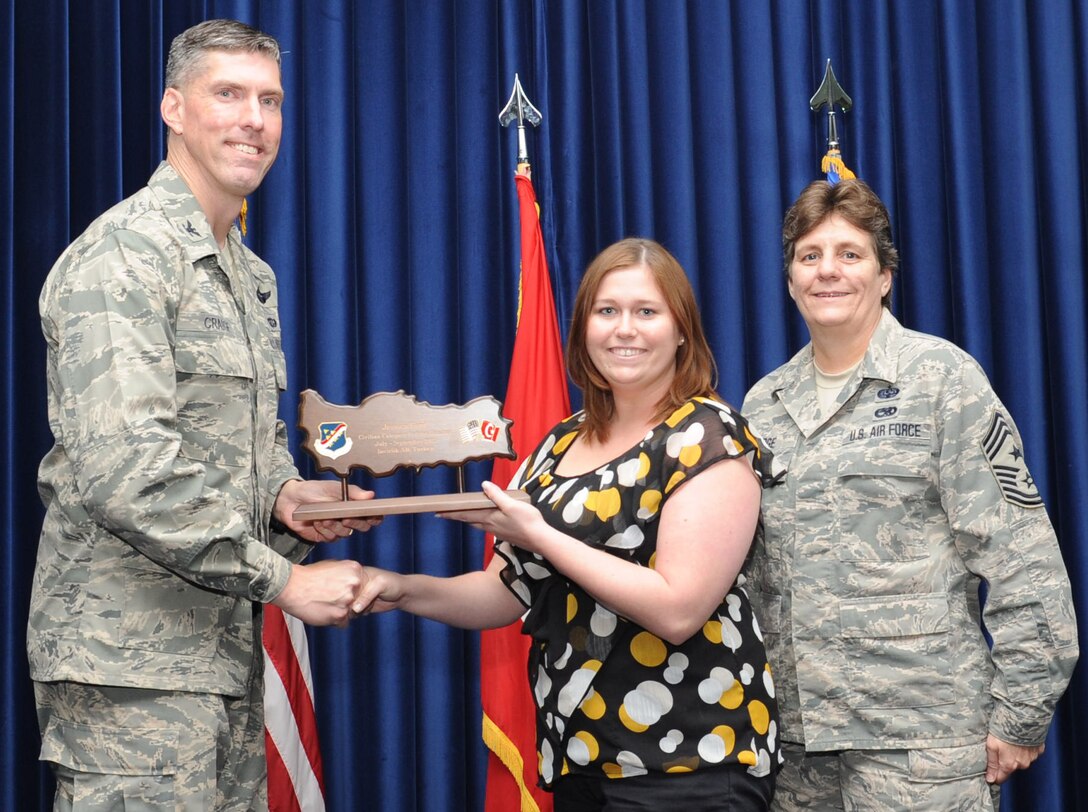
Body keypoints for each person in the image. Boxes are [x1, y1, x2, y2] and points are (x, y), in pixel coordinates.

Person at [28, 19, 379, 811]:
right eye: (229, 94)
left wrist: (289, 501)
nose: (254, 119)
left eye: (270, 100)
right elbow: (131, 476)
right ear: (173, 108)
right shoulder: (124, 257)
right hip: (131, 676)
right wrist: (283, 580)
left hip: (221, 655)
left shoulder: (248, 275)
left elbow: (236, 453)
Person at [358, 238, 785, 809]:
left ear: (682, 331)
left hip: (690, 761)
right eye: (607, 311)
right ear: (584, 327)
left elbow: (678, 608)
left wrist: (540, 534)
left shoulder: (709, 435)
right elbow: (507, 592)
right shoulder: (560, 442)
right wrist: (402, 590)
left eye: (647, 312)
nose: (624, 329)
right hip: (583, 757)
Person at [741, 178, 1079, 811]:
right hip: (797, 746)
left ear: (885, 273)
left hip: (921, 743)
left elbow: (1021, 555)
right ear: (789, 280)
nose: (828, 272)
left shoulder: (943, 379)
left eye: (850, 253)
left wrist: (1021, 711)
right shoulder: (764, 404)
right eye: (809, 256)